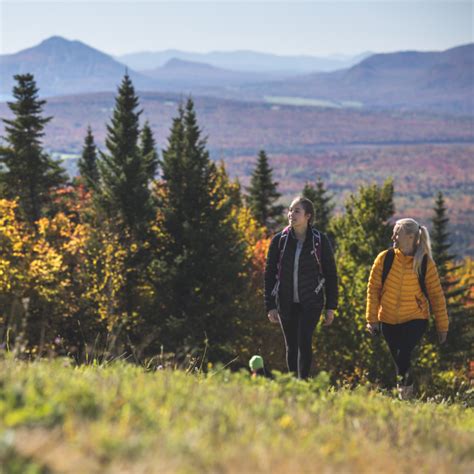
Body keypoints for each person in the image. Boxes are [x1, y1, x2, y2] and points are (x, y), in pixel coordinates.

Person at [366, 218, 449, 399]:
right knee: (399, 360)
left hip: (415, 318)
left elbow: (436, 296)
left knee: (403, 353)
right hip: (387, 320)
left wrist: (442, 327)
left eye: (397, 233)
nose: (393, 236)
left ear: (410, 237)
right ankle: (406, 395)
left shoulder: (425, 263)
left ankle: (406, 393)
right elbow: (373, 290)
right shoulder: (384, 258)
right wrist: (372, 319)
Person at [264, 196, 338, 379]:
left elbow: (330, 274)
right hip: (285, 300)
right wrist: (270, 305)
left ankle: (302, 382)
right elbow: (269, 274)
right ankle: (293, 383)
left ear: (308, 216)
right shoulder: (279, 241)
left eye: (296, 211)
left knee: (304, 341)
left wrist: (331, 307)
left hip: (311, 301)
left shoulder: (320, 241)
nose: (291, 214)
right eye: (290, 210)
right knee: (291, 345)